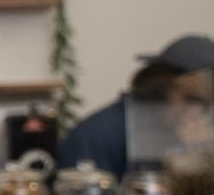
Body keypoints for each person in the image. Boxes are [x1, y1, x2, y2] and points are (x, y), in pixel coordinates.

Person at [58, 33, 214, 175]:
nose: (198, 113)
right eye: (191, 99)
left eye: (208, 105)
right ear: (158, 89)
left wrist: (201, 155)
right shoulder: (97, 134)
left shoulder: (194, 137)